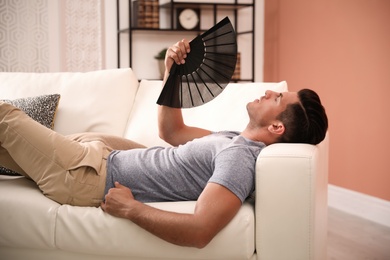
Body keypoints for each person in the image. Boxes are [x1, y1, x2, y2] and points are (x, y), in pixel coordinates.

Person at [0, 39, 328, 248]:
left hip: (85, 174)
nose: (271, 91)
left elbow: (201, 230)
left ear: (276, 125)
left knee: (5, 116)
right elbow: (171, 133)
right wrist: (174, 73)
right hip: (96, 155)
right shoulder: (234, 141)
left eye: (279, 97)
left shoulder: (240, 160)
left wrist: (132, 209)